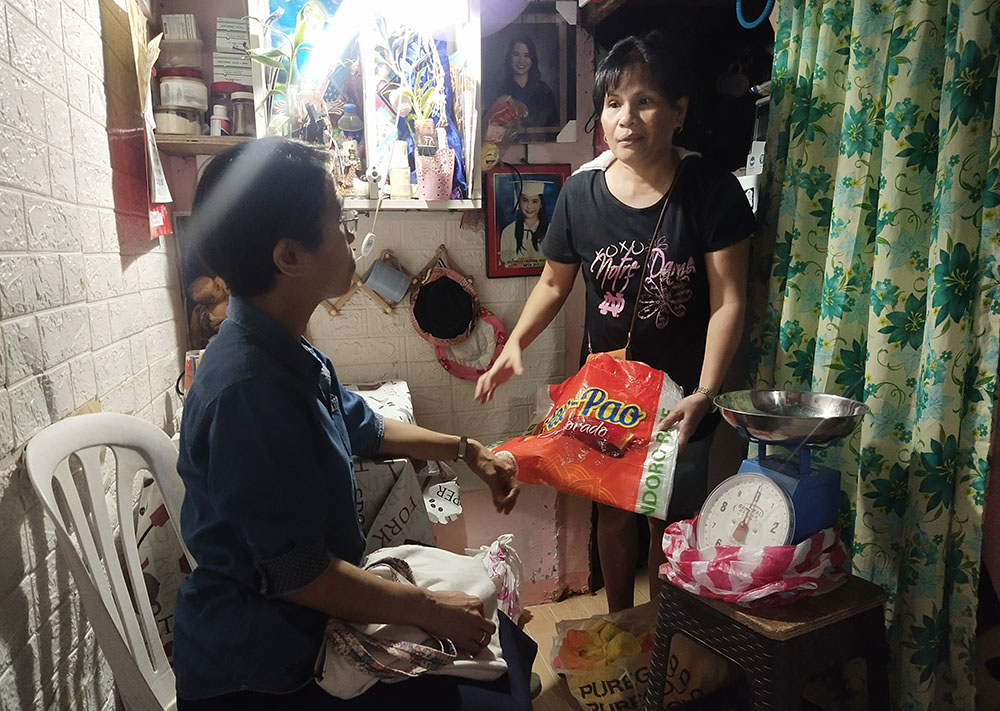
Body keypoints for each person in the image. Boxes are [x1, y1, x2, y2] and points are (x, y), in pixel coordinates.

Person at [174, 137, 534, 710]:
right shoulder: (250, 392)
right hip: (265, 666)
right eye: (338, 223)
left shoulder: (283, 349)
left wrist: (469, 450)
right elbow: (301, 576)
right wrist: (430, 610)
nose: (349, 238)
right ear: (289, 256)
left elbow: (366, 428)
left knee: (504, 642)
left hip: (311, 620)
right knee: (497, 687)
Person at [475, 31, 756, 613]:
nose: (626, 118)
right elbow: (554, 282)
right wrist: (515, 344)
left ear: (679, 111)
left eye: (645, 101)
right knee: (613, 513)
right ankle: (621, 629)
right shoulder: (581, 193)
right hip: (608, 397)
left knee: (669, 524)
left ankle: (663, 636)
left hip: (682, 396)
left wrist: (706, 392)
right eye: (613, 103)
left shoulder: (711, 191)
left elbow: (729, 299)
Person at [492, 36, 556, 129]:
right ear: (509, 57)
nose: (521, 60)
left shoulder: (544, 91)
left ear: (533, 58)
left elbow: (552, 126)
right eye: (516, 54)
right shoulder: (499, 90)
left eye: (527, 55)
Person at [499, 181, 548, 267]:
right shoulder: (508, 232)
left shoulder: (551, 231)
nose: (529, 206)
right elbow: (505, 263)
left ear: (541, 204)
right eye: (525, 200)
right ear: (519, 203)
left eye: (535, 201)